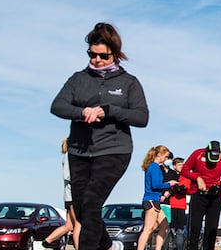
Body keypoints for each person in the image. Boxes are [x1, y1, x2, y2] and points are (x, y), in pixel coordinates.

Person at [50, 22, 149, 250]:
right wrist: (81, 112)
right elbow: (57, 106)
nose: (96, 60)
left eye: (102, 56)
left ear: (114, 53)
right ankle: (105, 245)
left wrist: (109, 110)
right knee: (83, 210)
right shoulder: (78, 79)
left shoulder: (129, 83)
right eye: (92, 54)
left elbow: (141, 117)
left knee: (92, 202)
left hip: (114, 150)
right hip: (79, 150)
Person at [181, 140, 221, 250]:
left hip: (214, 197)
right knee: (195, 228)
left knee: (211, 229)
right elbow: (184, 170)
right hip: (199, 195)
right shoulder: (197, 154)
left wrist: (219, 187)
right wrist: (197, 178)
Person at [42, 139, 81, 249]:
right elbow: (67, 175)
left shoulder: (68, 156)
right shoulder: (70, 156)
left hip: (69, 195)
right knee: (79, 224)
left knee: (69, 225)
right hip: (73, 195)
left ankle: (45, 242)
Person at [137, 146, 177, 250]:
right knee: (148, 228)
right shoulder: (154, 167)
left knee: (164, 226)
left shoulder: (154, 167)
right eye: (166, 157)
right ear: (159, 155)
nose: (167, 159)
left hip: (155, 200)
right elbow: (155, 184)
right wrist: (169, 184)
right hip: (152, 200)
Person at [167, 157, 190, 250]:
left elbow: (187, 189)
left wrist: (180, 188)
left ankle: (179, 248)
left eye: (183, 165)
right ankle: (169, 245)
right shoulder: (171, 175)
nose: (182, 167)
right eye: (179, 165)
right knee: (170, 229)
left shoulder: (185, 176)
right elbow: (168, 186)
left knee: (180, 230)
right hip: (171, 205)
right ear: (174, 166)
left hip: (181, 206)